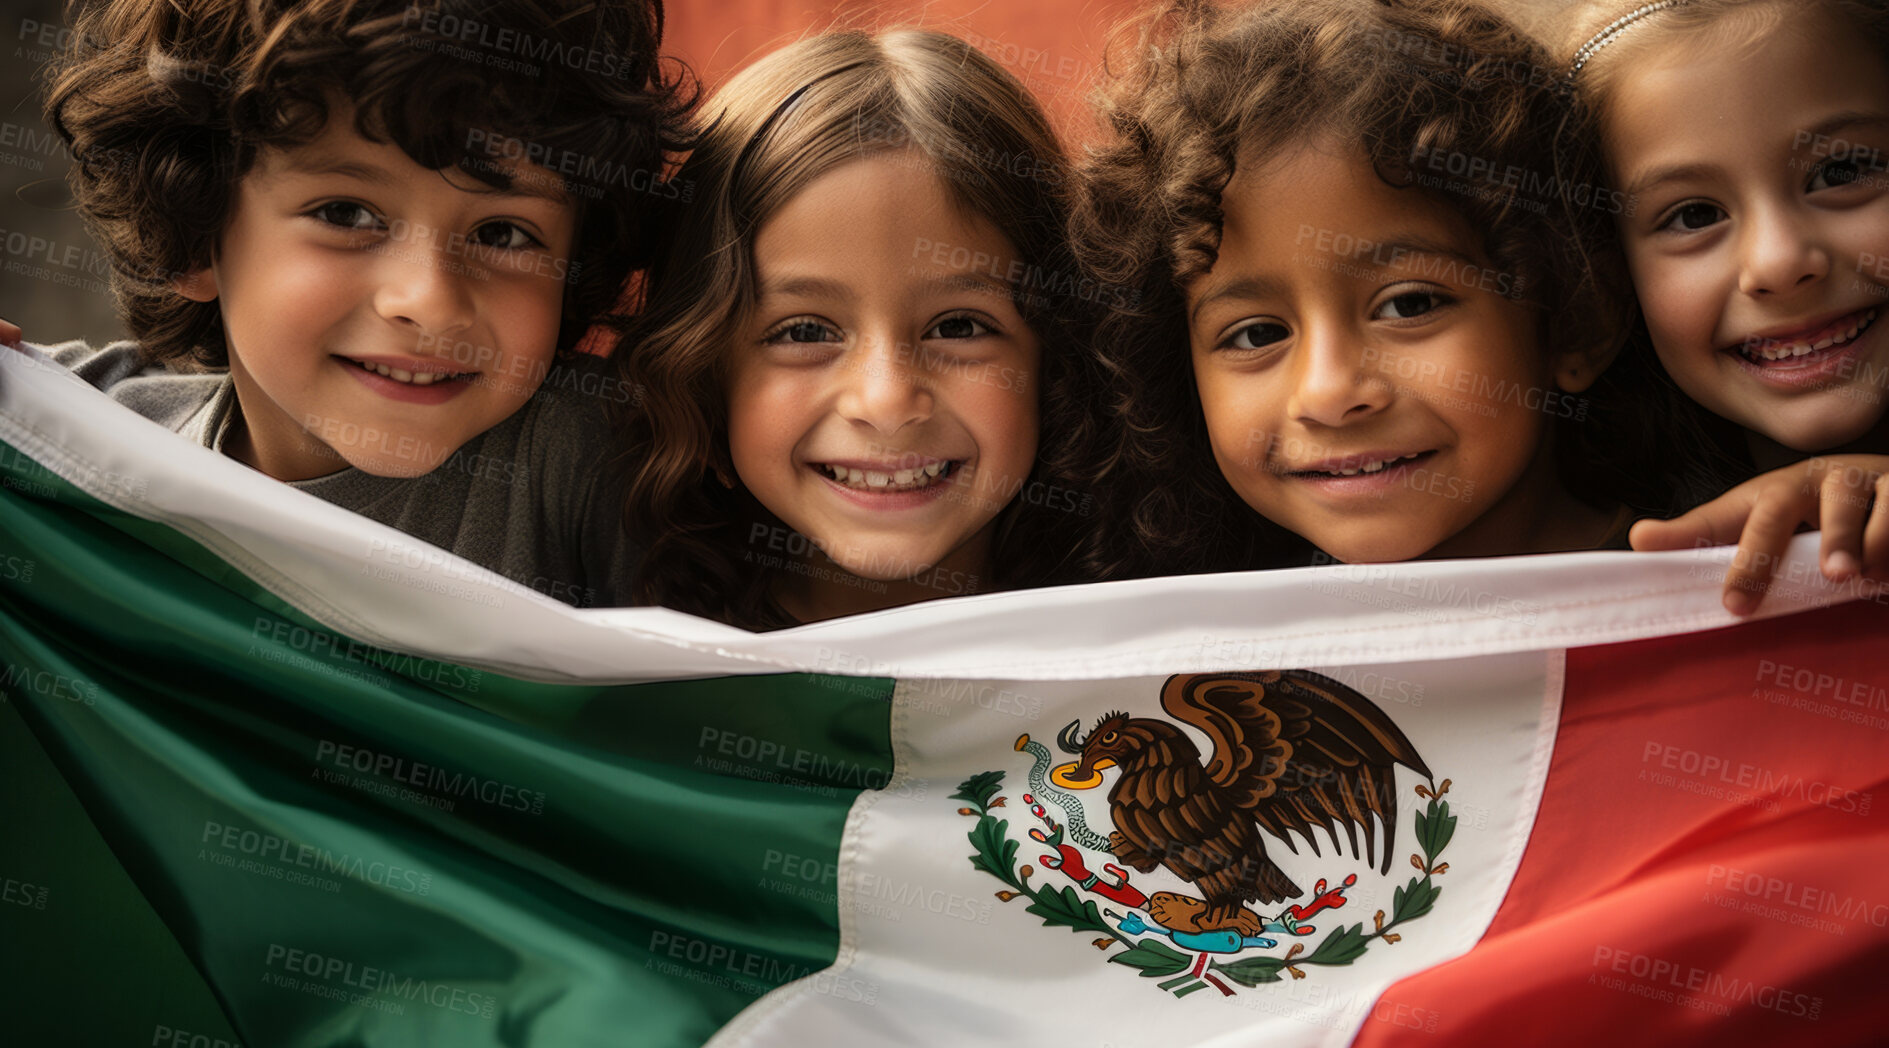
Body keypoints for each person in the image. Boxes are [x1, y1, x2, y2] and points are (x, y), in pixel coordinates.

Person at [14, 0, 691, 606]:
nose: (428, 302)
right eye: (346, 212)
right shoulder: (73, 440)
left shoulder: (606, 462)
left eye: (503, 233)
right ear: (195, 237)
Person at [1071, 0, 1664, 580]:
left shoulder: (1725, 588)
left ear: (1578, 320)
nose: (1328, 392)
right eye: (1256, 334)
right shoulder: (1190, 649)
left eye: (1410, 304)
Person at [615, 28, 1096, 629]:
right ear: (700, 380)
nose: (887, 400)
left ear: (1056, 360)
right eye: (805, 333)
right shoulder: (629, 661)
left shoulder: (1153, 656)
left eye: (958, 326)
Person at [1557, 0, 1889, 609]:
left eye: (1841, 171)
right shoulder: (1594, 548)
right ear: (1605, 279)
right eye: (1695, 215)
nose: (1779, 263)